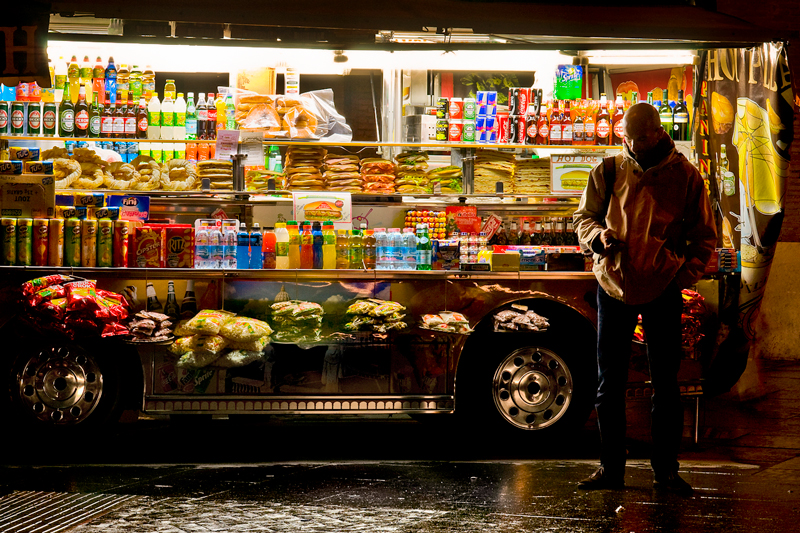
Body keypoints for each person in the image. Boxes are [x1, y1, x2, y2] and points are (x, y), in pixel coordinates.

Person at [573, 102, 717, 495]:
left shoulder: (686, 176)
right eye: (629, 136)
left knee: (665, 385)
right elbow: (583, 217)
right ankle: (611, 470)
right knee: (608, 384)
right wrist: (596, 237)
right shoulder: (606, 170)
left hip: (662, 290)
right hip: (613, 286)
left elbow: (706, 237)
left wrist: (679, 279)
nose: (634, 143)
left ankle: (665, 471)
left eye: (641, 136)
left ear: (657, 133)